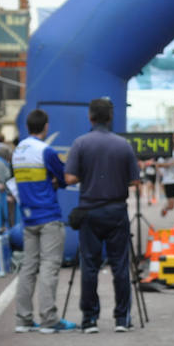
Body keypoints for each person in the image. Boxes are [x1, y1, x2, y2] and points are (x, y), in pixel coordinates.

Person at [64, 98, 140, 334]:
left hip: (89, 211)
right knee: (120, 265)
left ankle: (89, 319)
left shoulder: (80, 144)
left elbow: (69, 179)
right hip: (116, 210)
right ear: (110, 118)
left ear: (90, 117)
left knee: (89, 265)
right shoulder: (124, 145)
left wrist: (89, 175)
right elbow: (135, 180)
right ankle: (121, 319)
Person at [12, 109, 76, 334]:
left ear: (28, 126)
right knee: (49, 267)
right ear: (46, 126)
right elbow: (64, 177)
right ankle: (49, 319)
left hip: (28, 218)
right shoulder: (46, 151)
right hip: (48, 215)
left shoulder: (18, 150)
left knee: (28, 268)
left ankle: (23, 319)